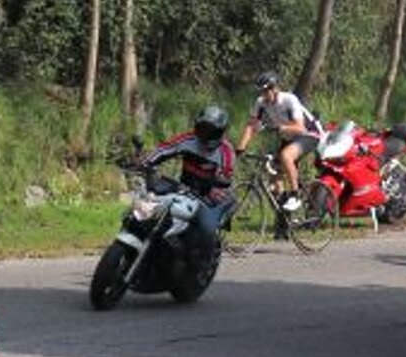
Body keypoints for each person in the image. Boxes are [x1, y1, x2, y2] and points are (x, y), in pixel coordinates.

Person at [133, 104, 240, 241]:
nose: (206, 134)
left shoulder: (226, 151)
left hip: (209, 196)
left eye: (211, 131)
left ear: (220, 132)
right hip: (184, 188)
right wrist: (146, 162)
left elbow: (225, 178)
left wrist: (215, 186)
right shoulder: (187, 139)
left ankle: (207, 249)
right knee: (154, 209)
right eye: (203, 129)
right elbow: (164, 149)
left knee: (206, 229)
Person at [239, 71, 328, 211]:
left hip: (309, 133)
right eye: (261, 91)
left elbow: (300, 127)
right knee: (273, 170)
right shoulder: (261, 103)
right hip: (289, 137)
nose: (264, 95)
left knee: (286, 156)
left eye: (266, 91)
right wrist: (241, 147)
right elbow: (251, 125)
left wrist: (281, 127)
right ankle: (283, 213)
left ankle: (295, 195)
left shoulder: (289, 100)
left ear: (275, 89)